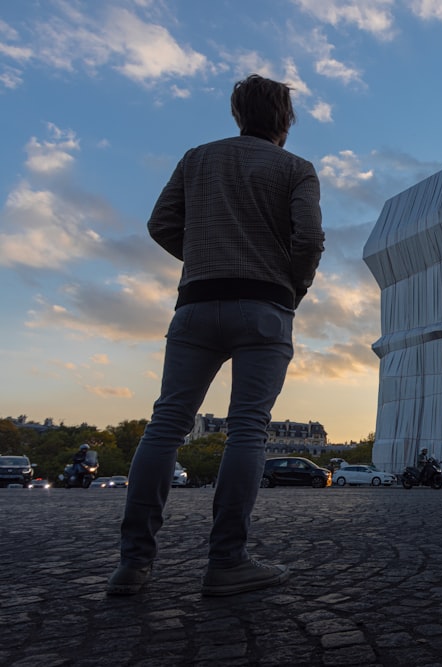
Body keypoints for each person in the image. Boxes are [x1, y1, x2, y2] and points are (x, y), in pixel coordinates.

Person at [107, 74, 325, 597]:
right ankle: (226, 561)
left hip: (197, 303)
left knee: (165, 426)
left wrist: (206, 259)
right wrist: (291, 285)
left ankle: (133, 564)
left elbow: (161, 224)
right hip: (266, 306)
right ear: (286, 119)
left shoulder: (196, 158)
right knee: (249, 429)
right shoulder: (297, 169)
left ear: (236, 113)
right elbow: (310, 239)